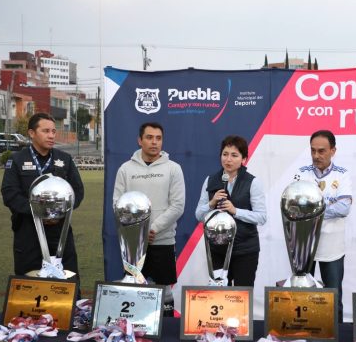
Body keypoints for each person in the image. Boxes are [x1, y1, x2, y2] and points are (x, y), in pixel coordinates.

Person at [113, 122, 185, 315]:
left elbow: (178, 205)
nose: (154, 142)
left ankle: (167, 335)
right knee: (134, 293)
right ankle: (131, 334)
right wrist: (139, 234)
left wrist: (151, 230)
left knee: (165, 293)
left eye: (158, 138)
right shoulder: (125, 169)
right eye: (149, 137)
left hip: (162, 240)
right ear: (140, 140)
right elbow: (118, 205)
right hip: (133, 245)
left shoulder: (173, 169)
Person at [1, 112, 84, 278]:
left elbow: (77, 191)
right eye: (46, 131)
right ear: (32, 133)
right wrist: (38, 213)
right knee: (29, 278)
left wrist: (59, 212)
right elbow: (9, 193)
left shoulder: (64, 159)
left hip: (60, 230)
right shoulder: (17, 159)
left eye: (53, 131)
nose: (52, 135)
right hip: (28, 230)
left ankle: (69, 304)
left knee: (67, 277)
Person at [294, 129, 352, 323]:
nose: (316, 156)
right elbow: (293, 206)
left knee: (333, 295)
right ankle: (306, 330)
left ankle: (334, 341)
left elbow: (344, 208)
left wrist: (310, 208)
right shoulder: (301, 174)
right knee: (303, 295)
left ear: (333, 150)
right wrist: (326, 207)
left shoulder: (342, 175)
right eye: (313, 151)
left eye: (321, 151)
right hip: (305, 245)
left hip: (332, 248)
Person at [195, 135, 267, 287]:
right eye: (225, 154)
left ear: (244, 159)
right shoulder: (210, 180)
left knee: (243, 295)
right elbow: (199, 215)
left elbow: (261, 217)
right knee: (219, 296)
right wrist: (211, 203)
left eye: (234, 155)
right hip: (217, 248)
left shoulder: (253, 182)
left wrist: (235, 211)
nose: (228, 159)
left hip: (245, 249)